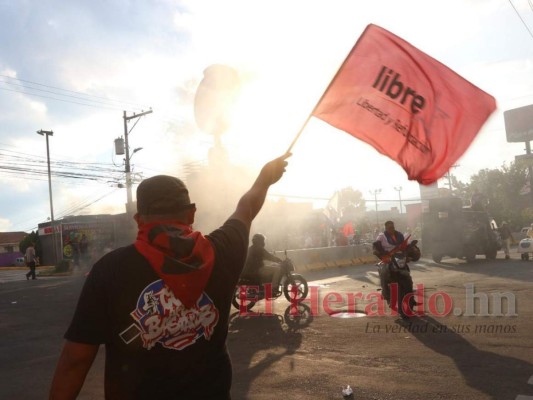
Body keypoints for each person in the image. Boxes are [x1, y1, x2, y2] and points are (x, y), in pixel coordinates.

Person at [49, 152, 291, 400]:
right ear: (191, 214)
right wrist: (264, 179)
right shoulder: (223, 251)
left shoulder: (109, 270)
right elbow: (247, 208)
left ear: (138, 219)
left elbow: (75, 361)